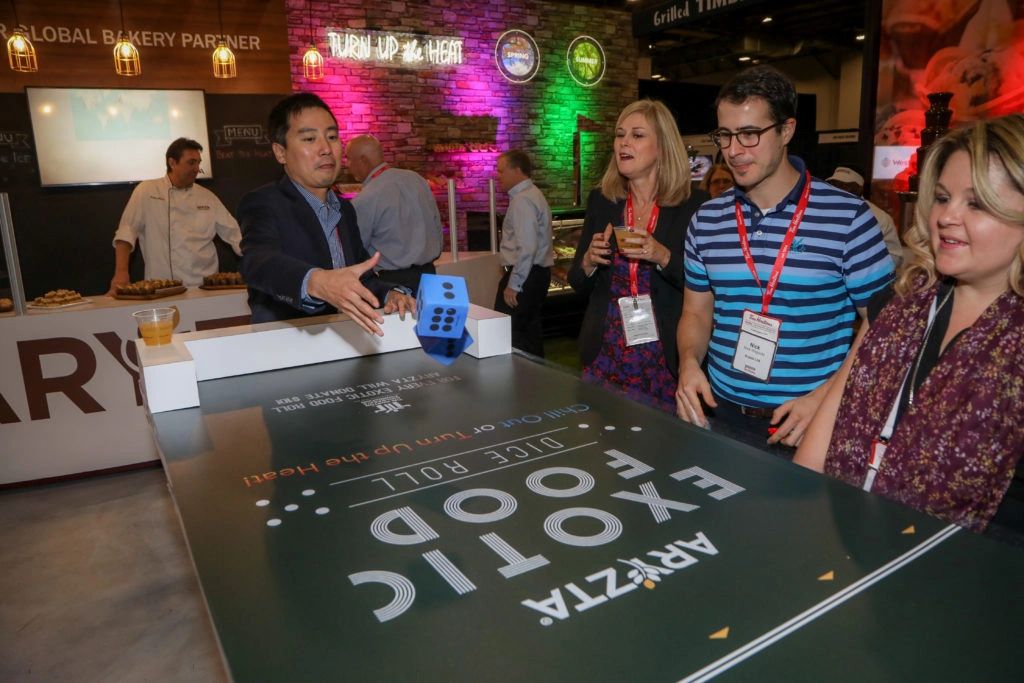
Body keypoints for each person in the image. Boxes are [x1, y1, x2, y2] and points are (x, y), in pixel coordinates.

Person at [795, 114, 1024, 538]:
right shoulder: (899, 301)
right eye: (942, 198)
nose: (947, 216)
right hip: (839, 534)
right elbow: (823, 433)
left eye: (976, 203)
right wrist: (798, 531)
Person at [676, 65, 894, 454]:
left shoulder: (848, 217)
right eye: (725, 135)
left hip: (807, 422)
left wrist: (825, 398)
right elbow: (696, 312)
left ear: (787, 130)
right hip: (720, 413)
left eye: (750, 134)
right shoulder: (707, 219)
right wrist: (689, 363)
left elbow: (883, 325)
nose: (734, 150)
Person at [568, 100, 708, 414]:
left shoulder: (694, 206)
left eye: (637, 135)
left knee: (662, 441)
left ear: (663, 147)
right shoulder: (603, 201)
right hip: (606, 351)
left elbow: (705, 288)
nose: (624, 143)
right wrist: (589, 261)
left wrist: (663, 256)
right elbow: (578, 281)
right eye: (620, 135)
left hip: (664, 356)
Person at [237, 93, 414, 332]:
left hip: (343, 339)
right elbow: (258, 262)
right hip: (285, 344)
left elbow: (360, 279)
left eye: (332, 137)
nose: (326, 149)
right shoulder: (264, 202)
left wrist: (390, 293)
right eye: (310, 139)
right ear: (280, 152)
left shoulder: (345, 209)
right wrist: (316, 281)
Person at [108, 137, 241, 292]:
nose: (197, 168)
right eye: (191, 162)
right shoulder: (147, 191)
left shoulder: (208, 197)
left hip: (205, 288)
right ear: (172, 162)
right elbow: (126, 232)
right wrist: (121, 273)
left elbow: (235, 234)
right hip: (162, 289)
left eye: (198, 163)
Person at [345, 134, 443, 291]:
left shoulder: (366, 198)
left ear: (363, 160)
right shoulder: (417, 179)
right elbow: (437, 227)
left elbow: (356, 251)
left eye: (348, 159)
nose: (347, 165)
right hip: (429, 277)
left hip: (391, 284)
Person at [493, 150, 554, 357]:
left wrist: (514, 284)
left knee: (509, 334)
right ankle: (536, 375)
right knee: (529, 334)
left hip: (526, 276)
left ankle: (518, 375)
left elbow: (527, 247)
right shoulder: (533, 194)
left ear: (517, 170)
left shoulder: (522, 200)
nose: (498, 176)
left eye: (501, 171)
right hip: (534, 274)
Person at [827, 165, 904, 266]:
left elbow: (895, 257)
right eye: (834, 184)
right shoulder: (822, 210)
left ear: (859, 189)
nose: (838, 189)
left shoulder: (880, 218)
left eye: (845, 185)